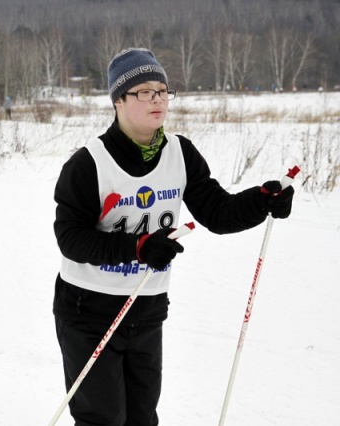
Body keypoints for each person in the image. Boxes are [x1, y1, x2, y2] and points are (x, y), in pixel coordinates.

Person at [52, 48, 294, 426]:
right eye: (145, 92)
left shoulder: (180, 153)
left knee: (142, 419)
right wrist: (137, 247)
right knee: (103, 419)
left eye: (163, 91)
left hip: (146, 311)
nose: (158, 100)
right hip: (89, 312)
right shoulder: (89, 163)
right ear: (118, 99)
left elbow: (218, 212)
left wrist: (262, 200)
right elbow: (72, 240)